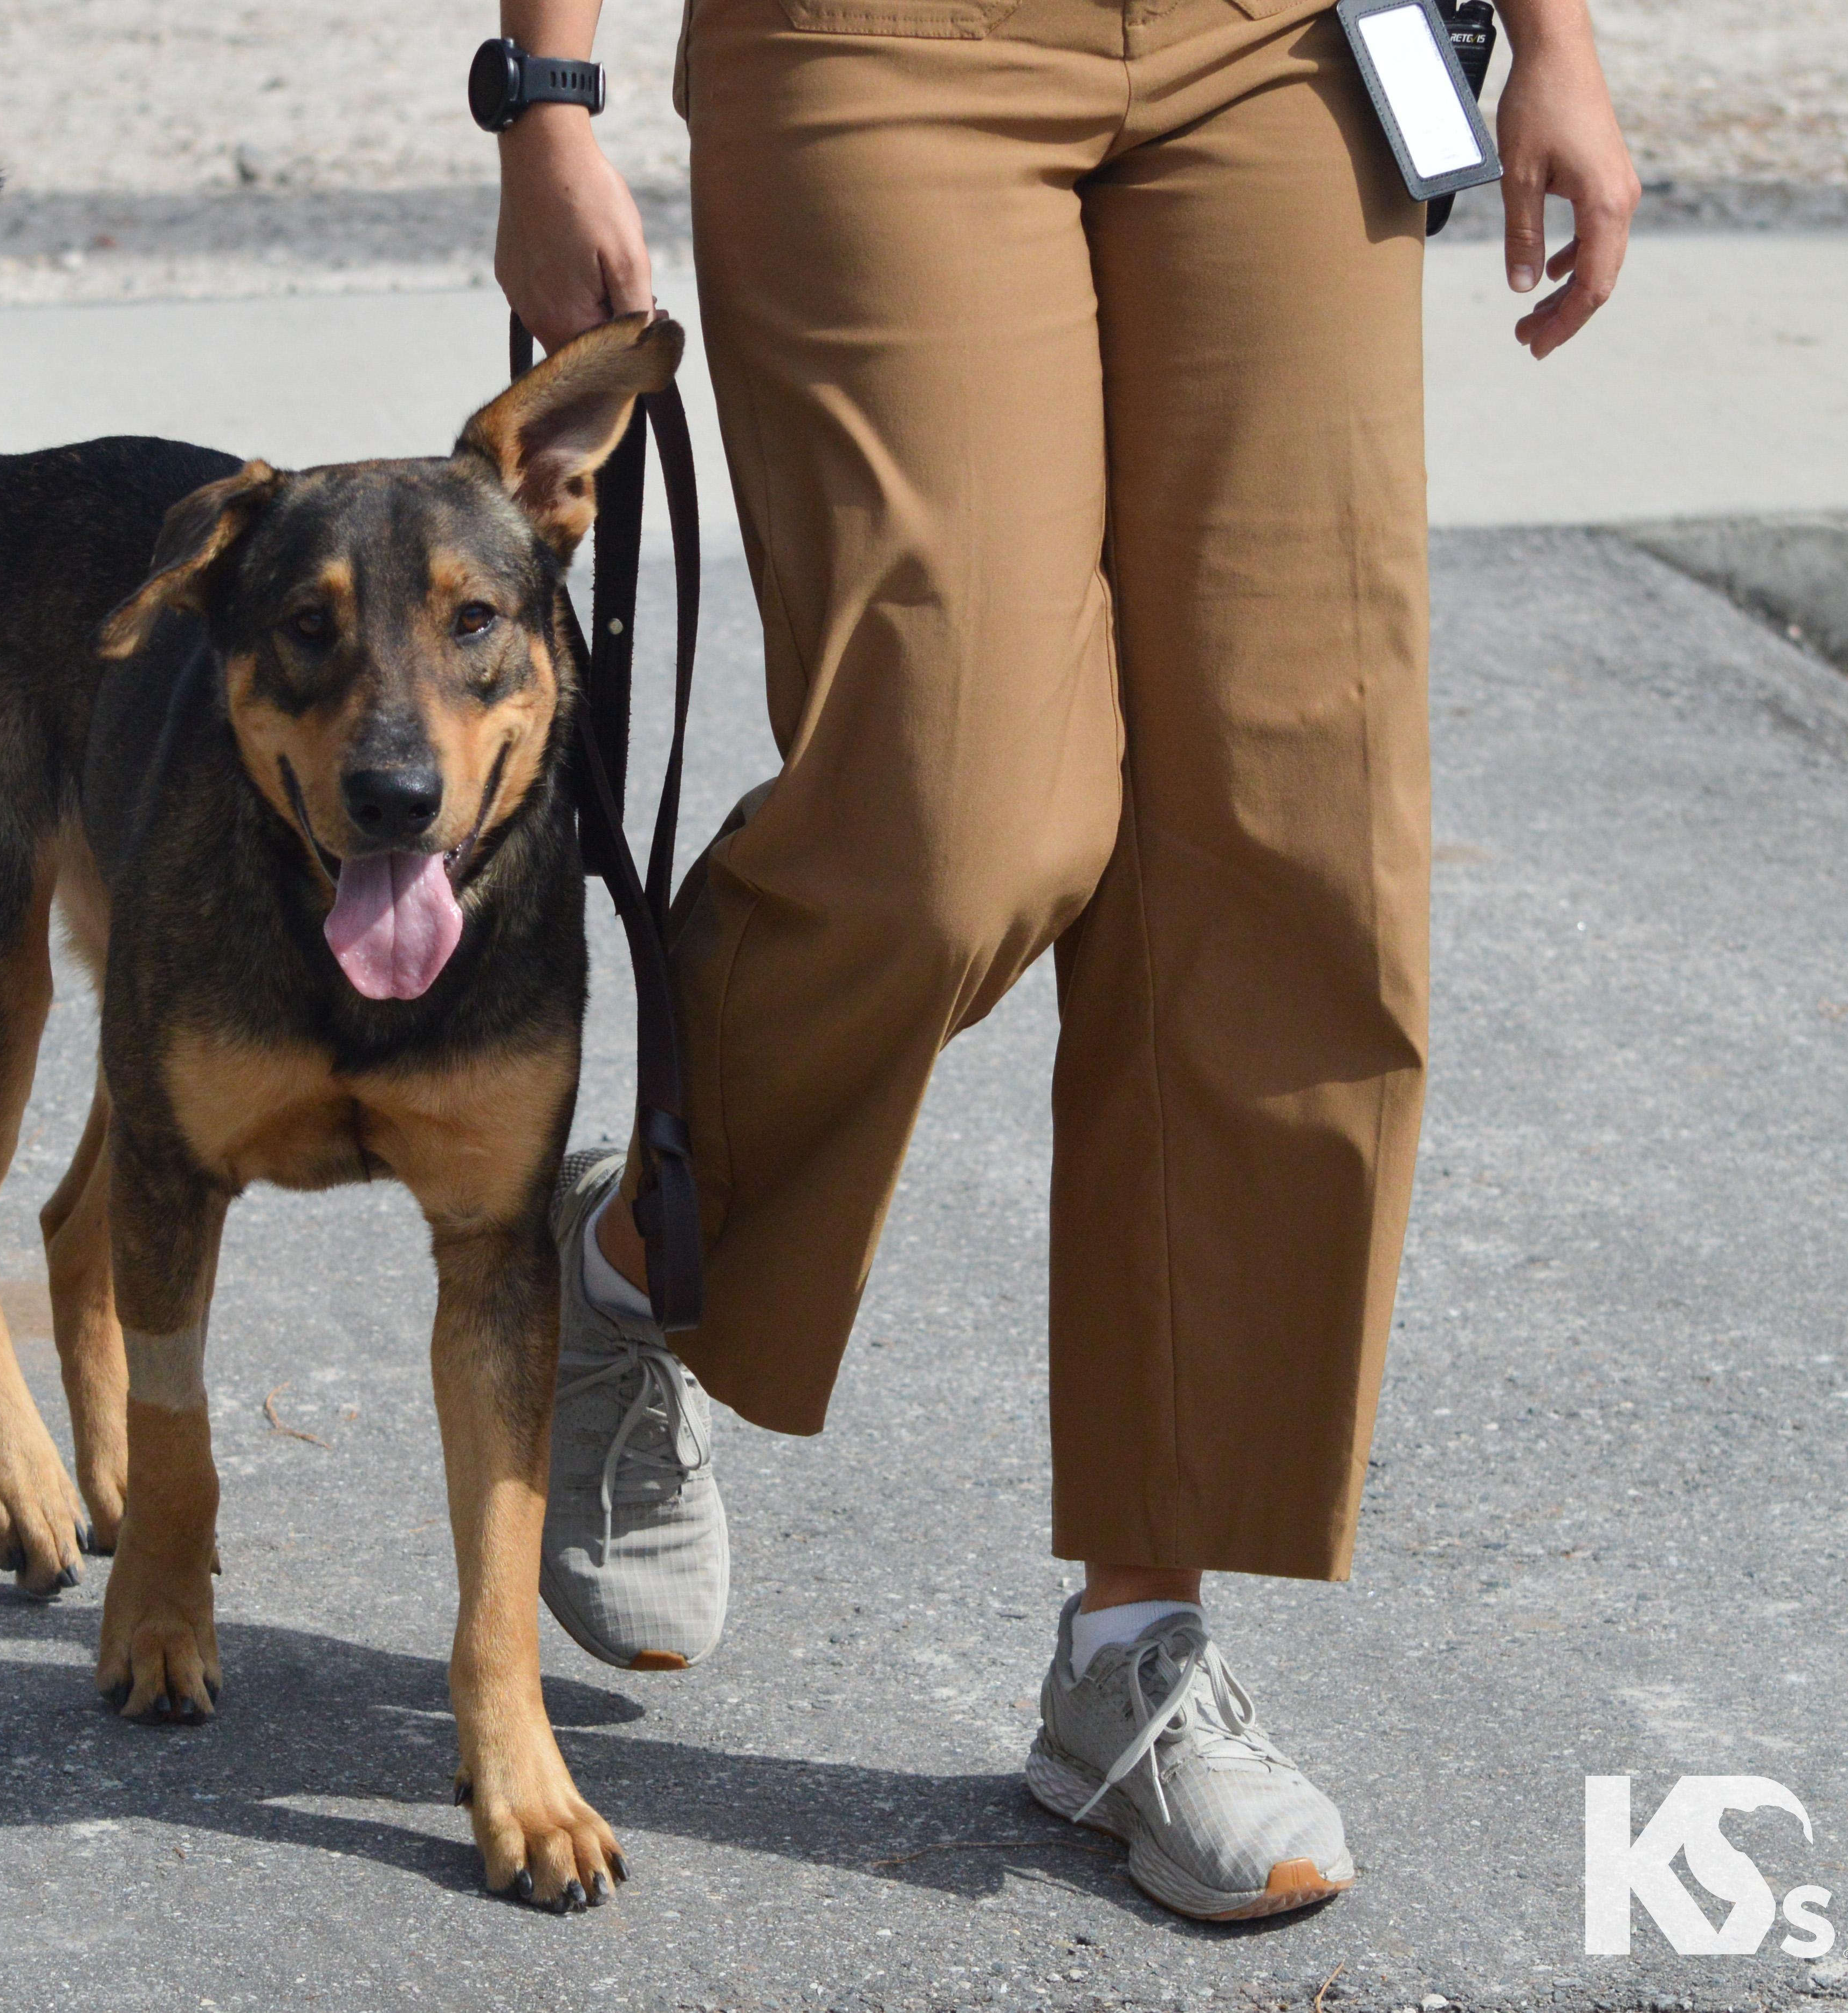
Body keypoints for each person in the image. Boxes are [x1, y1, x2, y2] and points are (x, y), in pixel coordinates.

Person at [494, 0, 1638, 1921]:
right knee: (956, 821)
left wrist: (1556, 42)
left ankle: (1135, 1650)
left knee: (1290, 841)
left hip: (1274, 50)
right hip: (869, 48)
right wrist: (542, 95)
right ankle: (637, 1254)